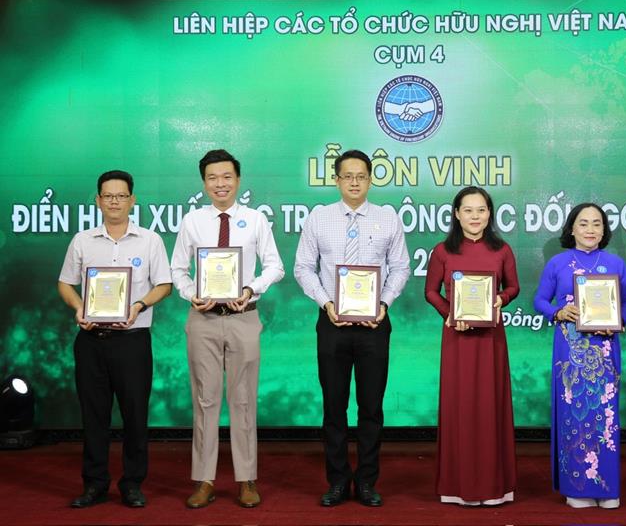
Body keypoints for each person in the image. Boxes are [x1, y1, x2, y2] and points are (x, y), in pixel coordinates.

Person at [294, 149, 410, 507]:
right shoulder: (319, 218)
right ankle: (338, 482)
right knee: (334, 407)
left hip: (375, 324)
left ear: (370, 180)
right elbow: (303, 267)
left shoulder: (388, 218)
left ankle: (368, 482)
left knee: (371, 408)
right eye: (347, 176)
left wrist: (384, 303)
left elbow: (401, 267)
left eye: (361, 176)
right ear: (337, 180)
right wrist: (326, 302)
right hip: (332, 323)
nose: (354, 182)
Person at [171, 149, 284, 509]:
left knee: (243, 400)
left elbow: (275, 266)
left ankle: (246, 478)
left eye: (226, 177)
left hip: (243, 318)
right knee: (205, 400)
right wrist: (191, 293)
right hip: (202, 319)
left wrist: (251, 288)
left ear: (238, 180)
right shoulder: (192, 221)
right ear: (204, 183)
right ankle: (204, 479)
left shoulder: (255, 220)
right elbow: (177, 270)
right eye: (212, 178)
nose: (220, 184)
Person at [57, 170, 172, 508]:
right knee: (94, 416)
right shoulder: (82, 240)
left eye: (121, 196)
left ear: (132, 200)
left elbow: (164, 285)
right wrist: (79, 306)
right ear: (98, 201)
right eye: (108, 196)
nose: (114, 202)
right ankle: (94, 484)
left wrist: (139, 305)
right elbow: (65, 283)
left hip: (132, 341)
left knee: (135, 415)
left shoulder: (150, 240)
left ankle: (132, 484)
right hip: (91, 341)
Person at [533, 202, 626, 509]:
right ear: (572, 229)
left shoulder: (616, 263)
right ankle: (577, 487)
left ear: (604, 230)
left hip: (605, 348)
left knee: (606, 415)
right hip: (571, 351)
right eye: (583, 223)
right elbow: (540, 300)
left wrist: (619, 321)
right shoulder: (558, 263)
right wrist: (558, 311)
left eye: (597, 224)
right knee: (573, 414)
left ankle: (608, 488)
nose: (590, 229)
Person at [424, 186, 519, 506]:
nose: (475, 216)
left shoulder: (502, 250)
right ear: (456, 214)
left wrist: (501, 298)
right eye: (468, 210)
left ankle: (494, 487)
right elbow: (431, 292)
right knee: (459, 406)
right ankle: (457, 486)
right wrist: (450, 315)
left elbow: (514, 287)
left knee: (491, 405)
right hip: (458, 338)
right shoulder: (442, 251)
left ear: (489, 213)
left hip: (491, 340)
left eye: (481, 210)